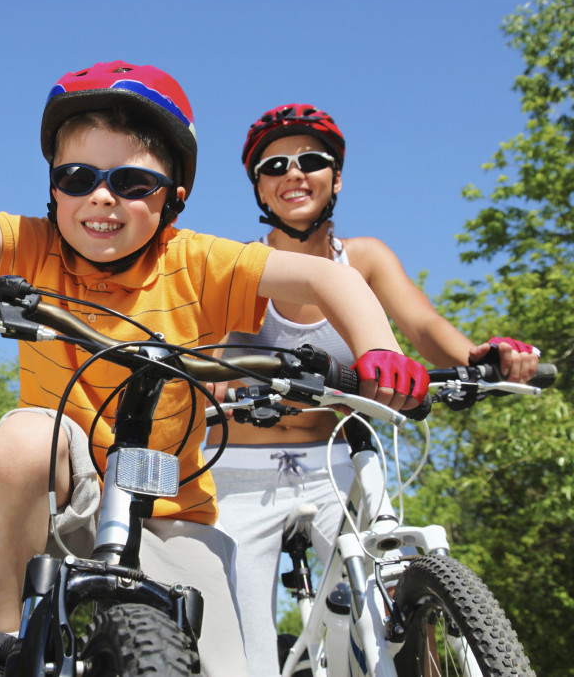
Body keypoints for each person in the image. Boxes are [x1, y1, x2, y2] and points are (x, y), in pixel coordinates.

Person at [0, 62, 430, 677]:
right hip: (65, 494)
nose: (101, 198)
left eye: (133, 183)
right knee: (23, 437)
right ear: (53, 189)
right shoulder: (34, 245)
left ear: (174, 198)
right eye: (77, 178)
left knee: (233, 670)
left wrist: (380, 349)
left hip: (173, 513)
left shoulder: (200, 262)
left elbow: (325, 276)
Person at [202, 103, 540, 677]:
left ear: (337, 177)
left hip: (337, 462)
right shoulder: (238, 266)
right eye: (274, 165)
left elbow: (427, 330)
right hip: (241, 468)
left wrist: (481, 358)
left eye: (312, 160)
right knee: (241, 656)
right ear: (258, 187)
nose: (293, 173)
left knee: (389, 608)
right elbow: (209, 359)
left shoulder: (367, 259)